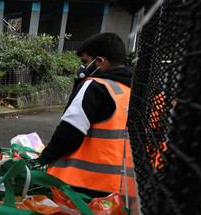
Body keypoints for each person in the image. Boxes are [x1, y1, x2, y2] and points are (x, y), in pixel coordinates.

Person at [41, 33, 133, 194]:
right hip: (124, 189)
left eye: (85, 62)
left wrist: (45, 157)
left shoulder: (96, 86)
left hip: (83, 186)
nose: (82, 68)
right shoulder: (136, 91)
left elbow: (69, 132)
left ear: (100, 61)